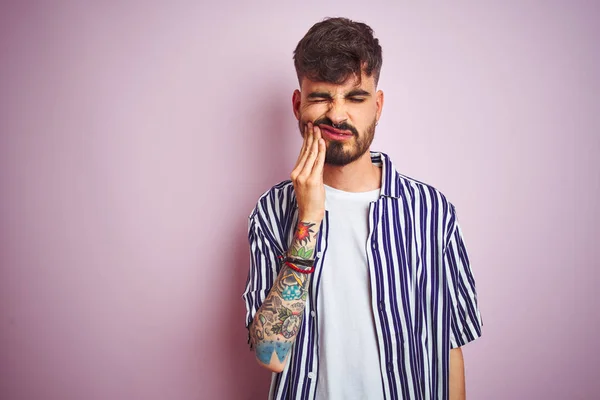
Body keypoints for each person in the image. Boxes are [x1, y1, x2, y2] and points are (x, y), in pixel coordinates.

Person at [242, 17, 483, 400]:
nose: (338, 116)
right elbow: (271, 354)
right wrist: (307, 220)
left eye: (355, 98)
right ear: (297, 103)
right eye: (322, 96)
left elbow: (450, 348)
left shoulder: (432, 212)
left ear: (378, 105)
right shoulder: (272, 211)